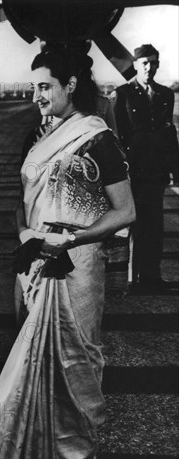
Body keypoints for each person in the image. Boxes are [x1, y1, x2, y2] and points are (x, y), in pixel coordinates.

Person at [0, 48, 136, 459]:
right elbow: (21, 205)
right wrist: (26, 233)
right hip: (34, 266)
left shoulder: (98, 138)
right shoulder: (37, 137)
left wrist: (71, 238)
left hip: (76, 267)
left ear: (71, 85)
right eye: (34, 86)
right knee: (27, 368)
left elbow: (125, 211)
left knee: (74, 368)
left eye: (45, 87)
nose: (36, 96)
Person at [113, 44, 179, 291]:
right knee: (132, 225)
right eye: (144, 63)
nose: (149, 67)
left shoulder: (165, 94)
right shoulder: (123, 94)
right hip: (132, 171)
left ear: (158, 65)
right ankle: (130, 279)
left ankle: (151, 277)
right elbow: (116, 135)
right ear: (136, 64)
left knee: (154, 225)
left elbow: (168, 132)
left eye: (153, 62)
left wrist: (174, 167)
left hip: (156, 171)